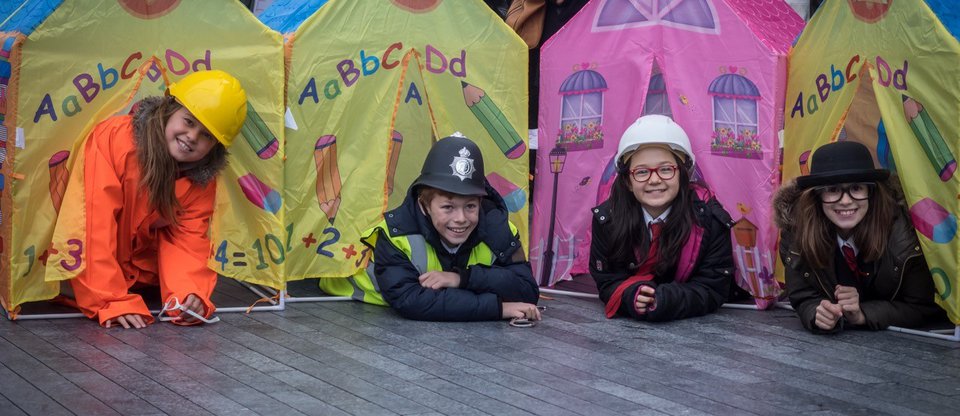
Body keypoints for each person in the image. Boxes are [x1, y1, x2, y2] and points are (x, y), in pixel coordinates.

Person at [68, 70, 247, 329]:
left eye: (207, 135)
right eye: (188, 121)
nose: (192, 137)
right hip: (89, 280)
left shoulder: (199, 178)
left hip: (139, 283)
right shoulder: (115, 140)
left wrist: (189, 296)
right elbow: (93, 222)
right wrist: (110, 299)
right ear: (168, 110)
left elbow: (187, 240)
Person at [322, 134, 541, 322]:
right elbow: (411, 300)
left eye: (471, 206)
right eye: (448, 207)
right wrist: (499, 308)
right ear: (424, 204)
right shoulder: (395, 233)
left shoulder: (501, 229)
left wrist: (461, 278)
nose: (461, 218)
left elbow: (526, 290)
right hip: (350, 312)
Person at [774, 141, 944, 333]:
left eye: (856, 188)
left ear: (871, 192)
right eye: (833, 190)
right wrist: (816, 313)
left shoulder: (905, 236)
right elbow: (803, 296)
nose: (846, 201)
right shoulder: (797, 234)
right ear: (817, 196)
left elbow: (922, 307)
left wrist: (863, 314)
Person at [590, 115, 735, 322]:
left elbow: (712, 287)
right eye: (641, 172)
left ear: (683, 174)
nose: (655, 180)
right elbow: (607, 281)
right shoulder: (608, 220)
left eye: (666, 169)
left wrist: (665, 300)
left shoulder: (710, 220)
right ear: (628, 182)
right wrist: (634, 296)